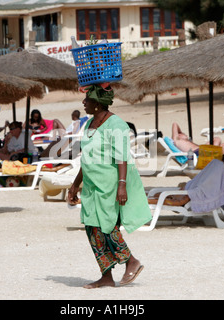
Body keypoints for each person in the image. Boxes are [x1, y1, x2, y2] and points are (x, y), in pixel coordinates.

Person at [67, 84, 151, 289]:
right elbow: (86, 159)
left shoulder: (117, 125)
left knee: (107, 226)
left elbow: (122, 157)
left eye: (87, 99)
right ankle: (106, 275)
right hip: (91, 185)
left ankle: (131, 261)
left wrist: (122, 186)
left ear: (97, 103)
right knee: (92, 228)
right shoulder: (89, 124)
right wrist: (74, 186)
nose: (83, 102)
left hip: (110, 184)